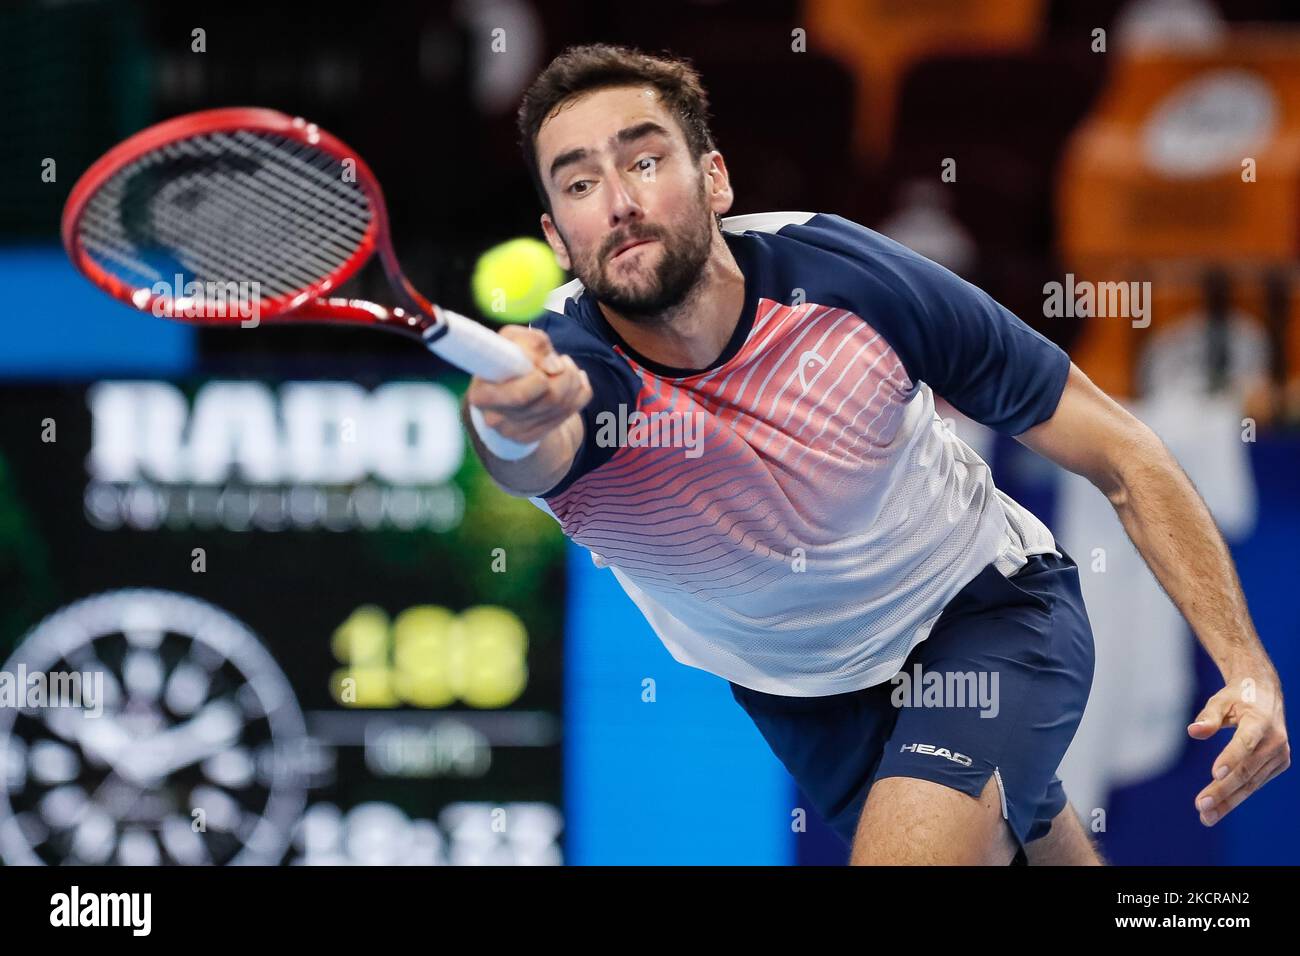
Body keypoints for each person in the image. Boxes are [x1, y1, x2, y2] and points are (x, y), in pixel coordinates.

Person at [462, 43, 1289, 864]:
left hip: (986, 614)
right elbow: (535, 450)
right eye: (578, 183)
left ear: (715, 179)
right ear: (557, 238)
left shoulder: (848, 278)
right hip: (805, 699)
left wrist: (1247, 670)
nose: (617, 202)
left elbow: (1123, 453)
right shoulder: (566, 369)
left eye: (644, 160)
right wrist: (508, 424)